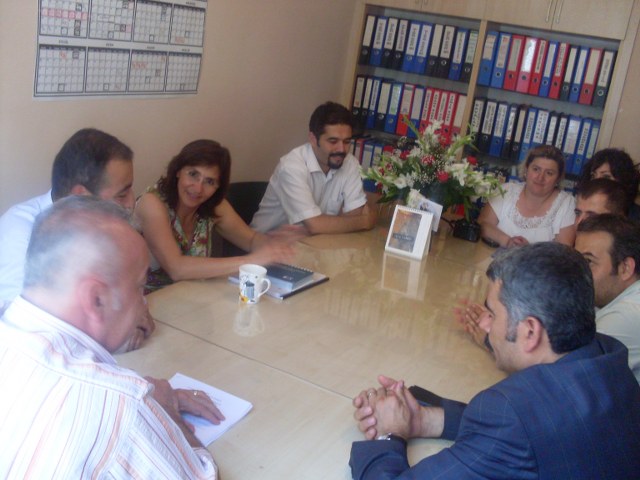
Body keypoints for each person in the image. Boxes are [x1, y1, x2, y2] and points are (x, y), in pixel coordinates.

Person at [351, 243, 640, 479]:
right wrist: (424, 421)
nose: (485, 324)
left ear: (530, 332)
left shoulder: (510, 413)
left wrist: (388, 435)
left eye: (492, 313)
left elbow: (516, 425)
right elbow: (532, 428)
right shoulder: (606, 353)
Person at [0, 196, 223, 478]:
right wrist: (167, 414)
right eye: (140, 287)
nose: (144, 304)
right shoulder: (123, 406)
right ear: (97, 299)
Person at [0, 128, 154, 351]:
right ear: (80, 195)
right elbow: (26, 329)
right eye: (122, 194)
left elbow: (125, 292)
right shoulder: (21, 229)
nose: (131, 203)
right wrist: (118, 329)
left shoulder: (102, 226)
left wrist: (134, 311)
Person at [135, 139, 298, 292]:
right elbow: (176, 268)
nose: (198, 188)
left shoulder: (213, 205)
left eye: (209, 181)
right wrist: (251, 261)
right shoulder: (152, 203)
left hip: (191, 296)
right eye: (193, 174)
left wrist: (275, 246)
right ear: (178, 171)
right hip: (147, 303)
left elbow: (250, 239)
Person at [250, 101, 377, 234]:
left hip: (317, 241)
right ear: (313, 139)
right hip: (267, 242)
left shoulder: (349, 163)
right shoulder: (291, 167)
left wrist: (341, 223)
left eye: (346, 142)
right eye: (333, 141)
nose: (341, 149)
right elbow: (315, 225)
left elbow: (355, 213)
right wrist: (364, 222)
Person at [575, 214, 640, 382]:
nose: (576, 272)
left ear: (625, 268)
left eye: (588, 261)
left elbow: (566, 373)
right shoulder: (609, 295)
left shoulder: (627, 315)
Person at [477, 145, 575, 247]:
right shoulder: (506, 190)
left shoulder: (567, 204)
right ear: (526, 170)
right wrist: (508, 241)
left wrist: (529, 250)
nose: (540, 177)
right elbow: (483, 224)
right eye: (536, 169)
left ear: (558, 178)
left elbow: (564, 250)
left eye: (549, 173)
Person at [577, 148, 640, 220]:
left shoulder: (635, 218)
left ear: (623, 180)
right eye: (593, 176)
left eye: (606, 177)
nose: (597, 181)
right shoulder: (581, 208)